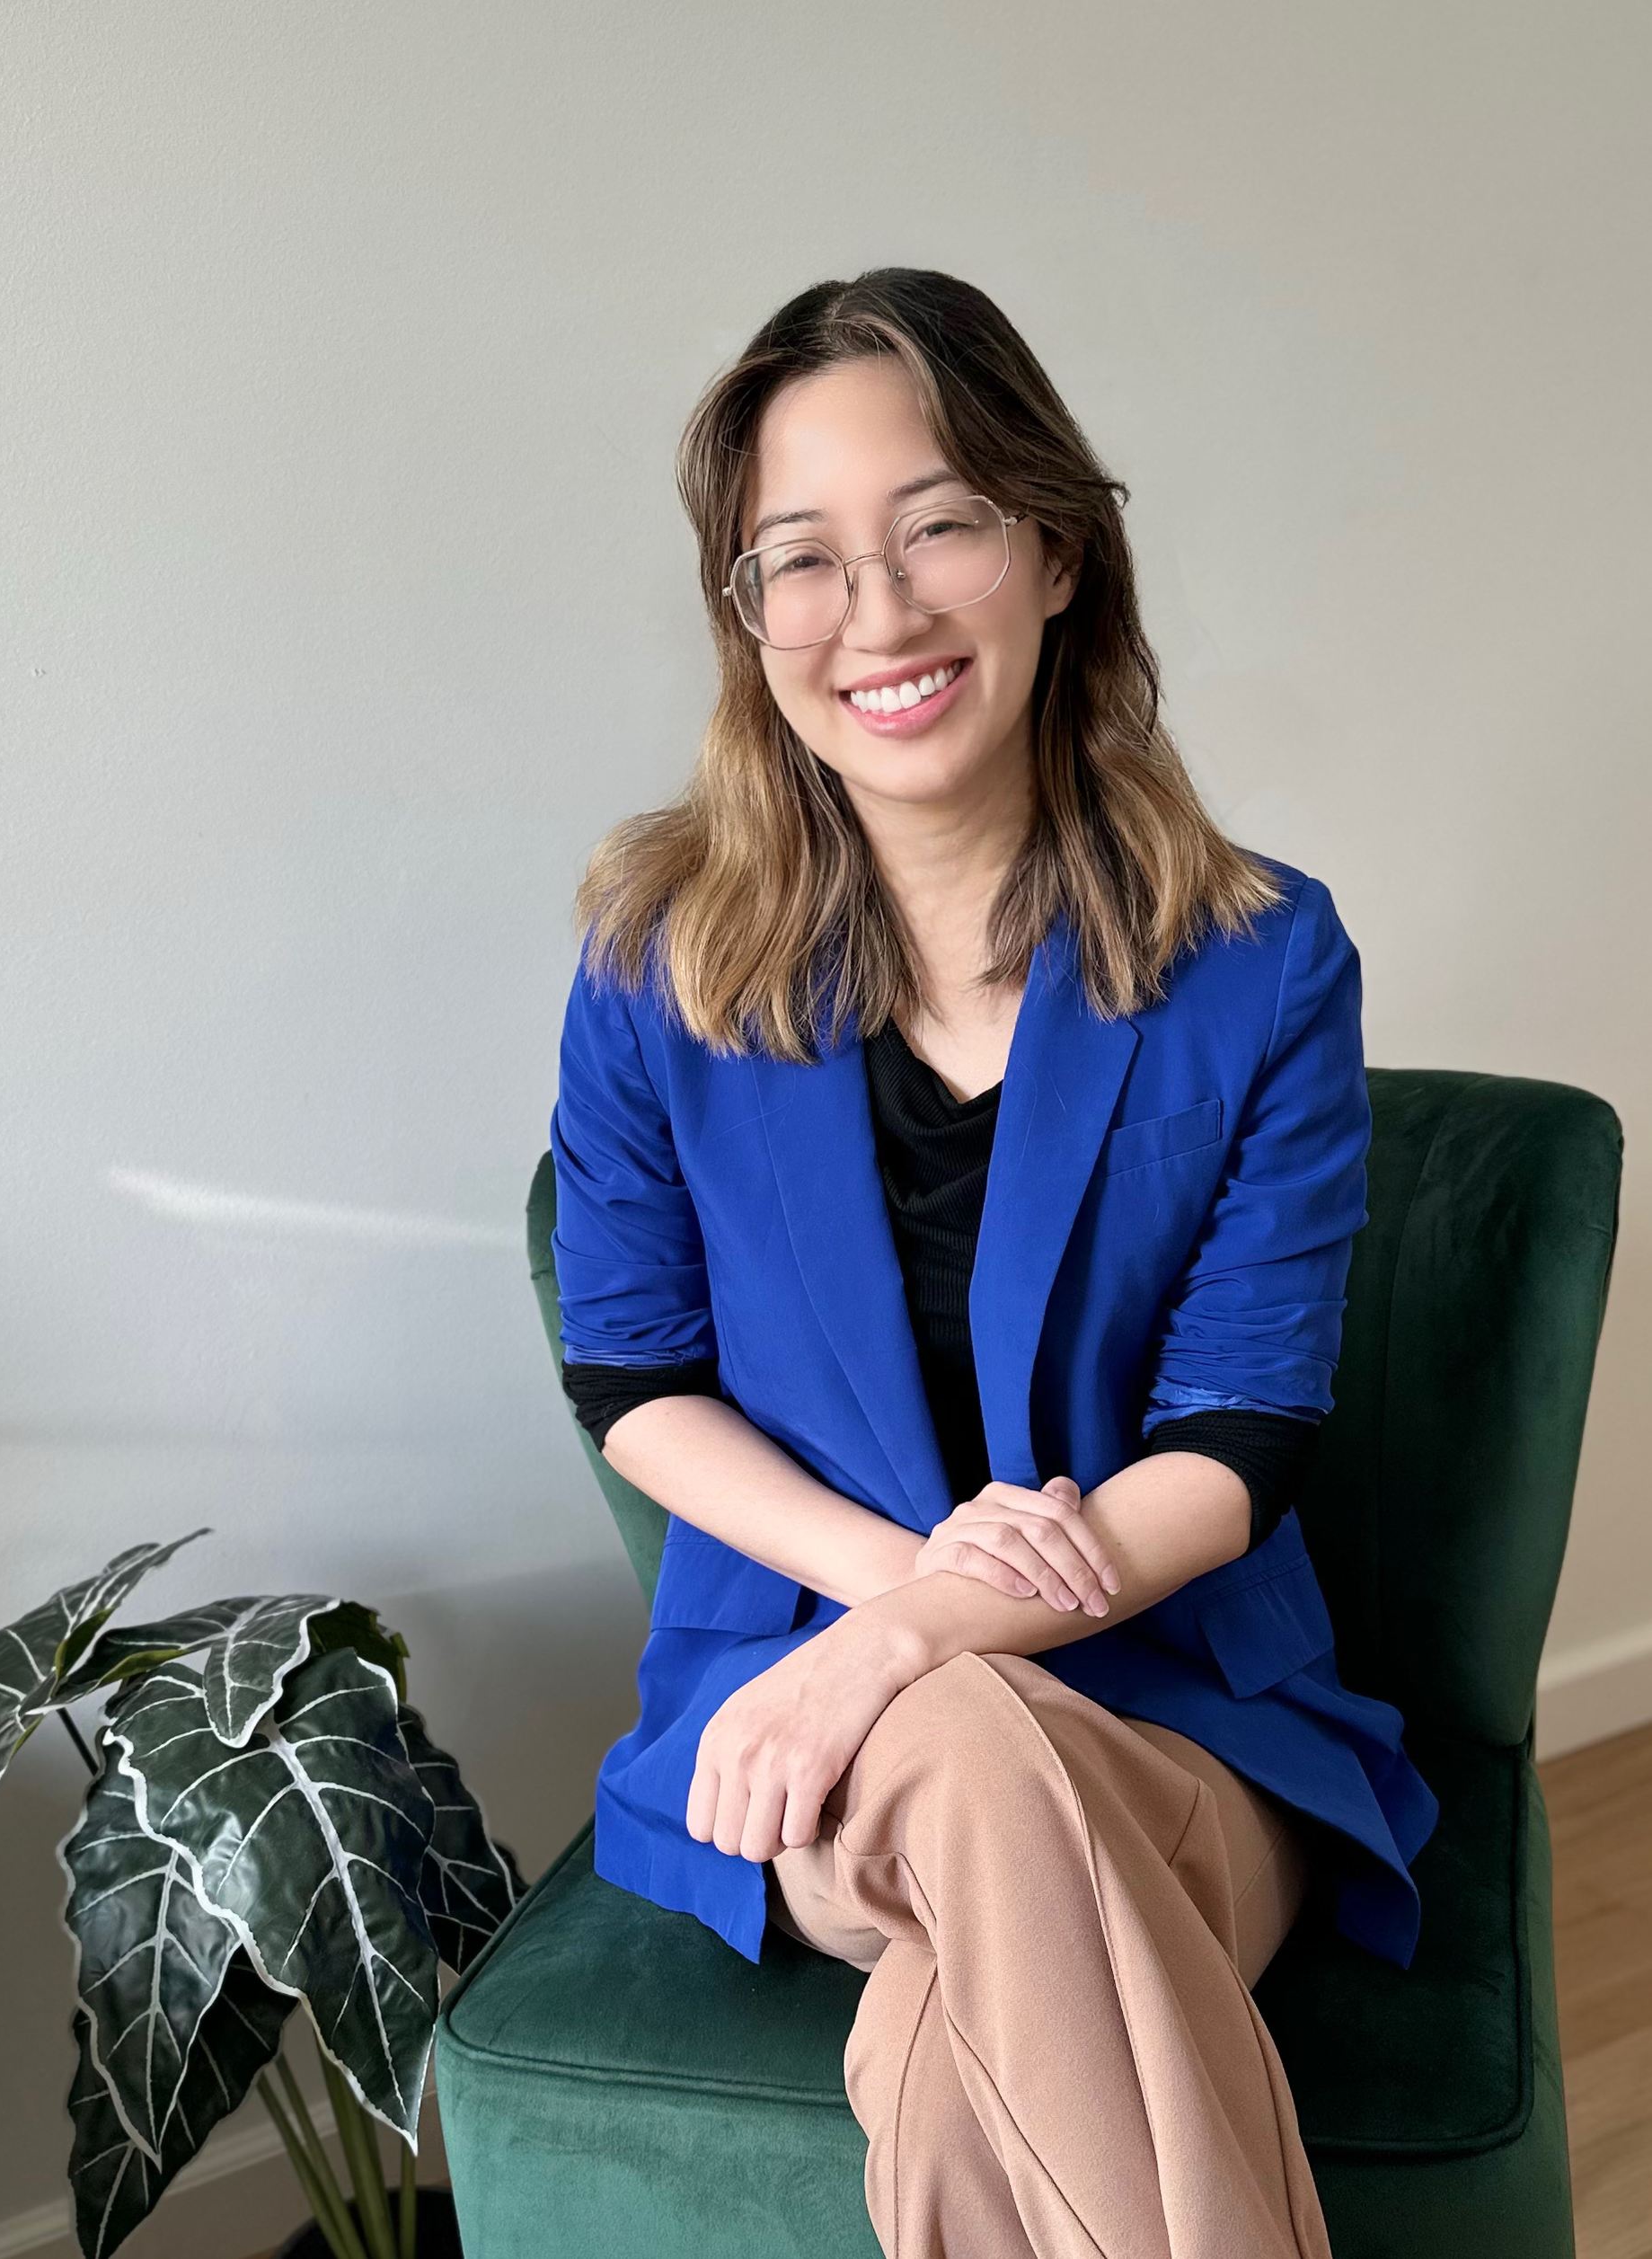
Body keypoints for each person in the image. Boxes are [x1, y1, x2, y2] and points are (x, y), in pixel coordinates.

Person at [546, 270, 1438, 2259]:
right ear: (742, 615)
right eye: (798, 560)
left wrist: (896, 1645)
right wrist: (900, 1605)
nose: (873, 615)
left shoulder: (1259, 958)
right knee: (961, 1753)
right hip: (799, 1712)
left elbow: (1244, 1420)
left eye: (937, 523)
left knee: (952, 2024)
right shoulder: (652, 956)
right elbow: (631, 1378)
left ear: (1052, 550)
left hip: (1184, 1704)